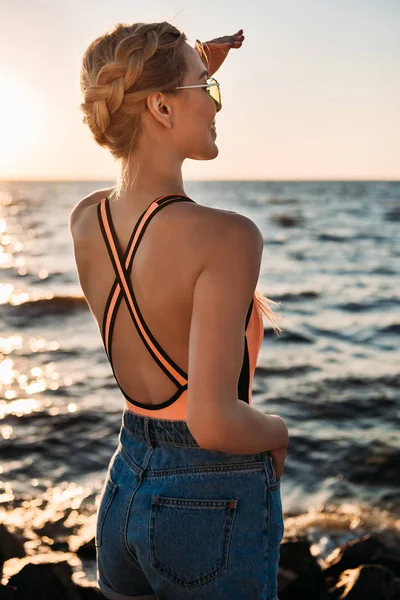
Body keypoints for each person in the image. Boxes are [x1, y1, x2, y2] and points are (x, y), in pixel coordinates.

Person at [70, 20, 289, 600]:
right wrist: (277, 433)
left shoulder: (86, 222)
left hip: (124, 488)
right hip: (207, 502)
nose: (217, 104)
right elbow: (213, 422)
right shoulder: (227, 237)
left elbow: (148, 117)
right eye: (207, 89)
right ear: (162, 108)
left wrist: (192, 73)